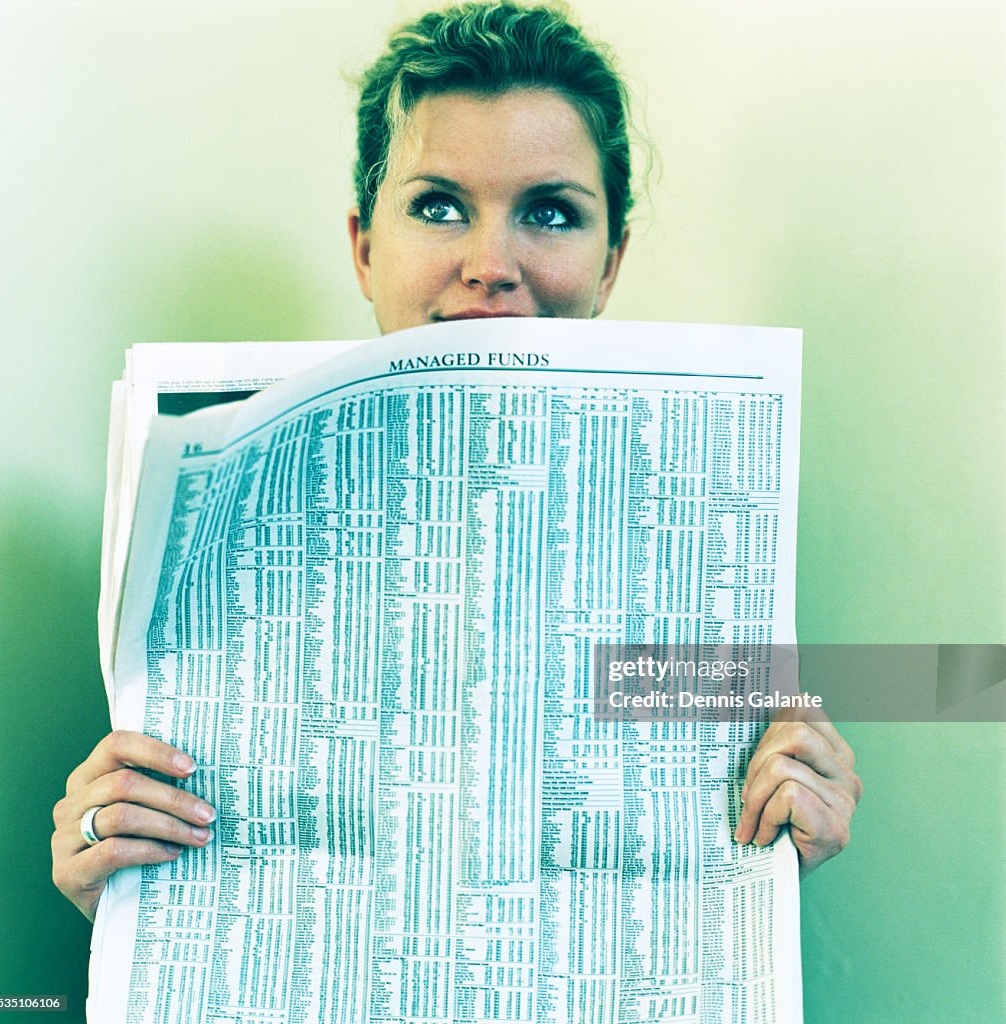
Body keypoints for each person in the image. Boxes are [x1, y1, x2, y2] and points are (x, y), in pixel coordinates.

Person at [52, 0, 861, 924]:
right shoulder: (209, 511)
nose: (490, 263)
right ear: (365, 246)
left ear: (611, 263)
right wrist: (103, 881)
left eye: (551, 212)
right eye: (438, 207)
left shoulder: (707, 522)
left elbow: (944, 687)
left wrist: (781, 831)